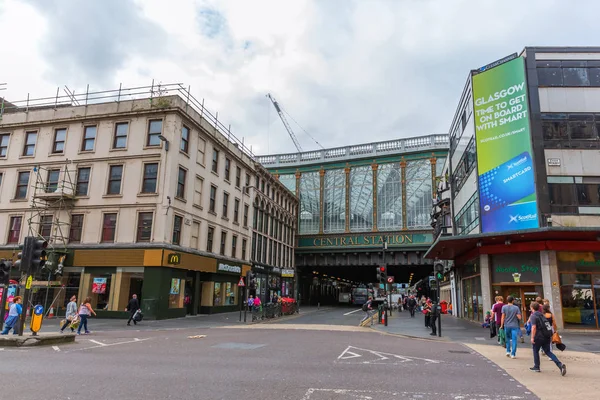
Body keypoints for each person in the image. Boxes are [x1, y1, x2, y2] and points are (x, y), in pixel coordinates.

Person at [529, 301, 566, 375]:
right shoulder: (542, 315)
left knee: (535, 351)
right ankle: (560, 365)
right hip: (546, 336)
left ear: (532, 308)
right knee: (548, 351)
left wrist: (532, 337)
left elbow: (533, 327)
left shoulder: (533, 316)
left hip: (538, 336)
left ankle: (537, 367)